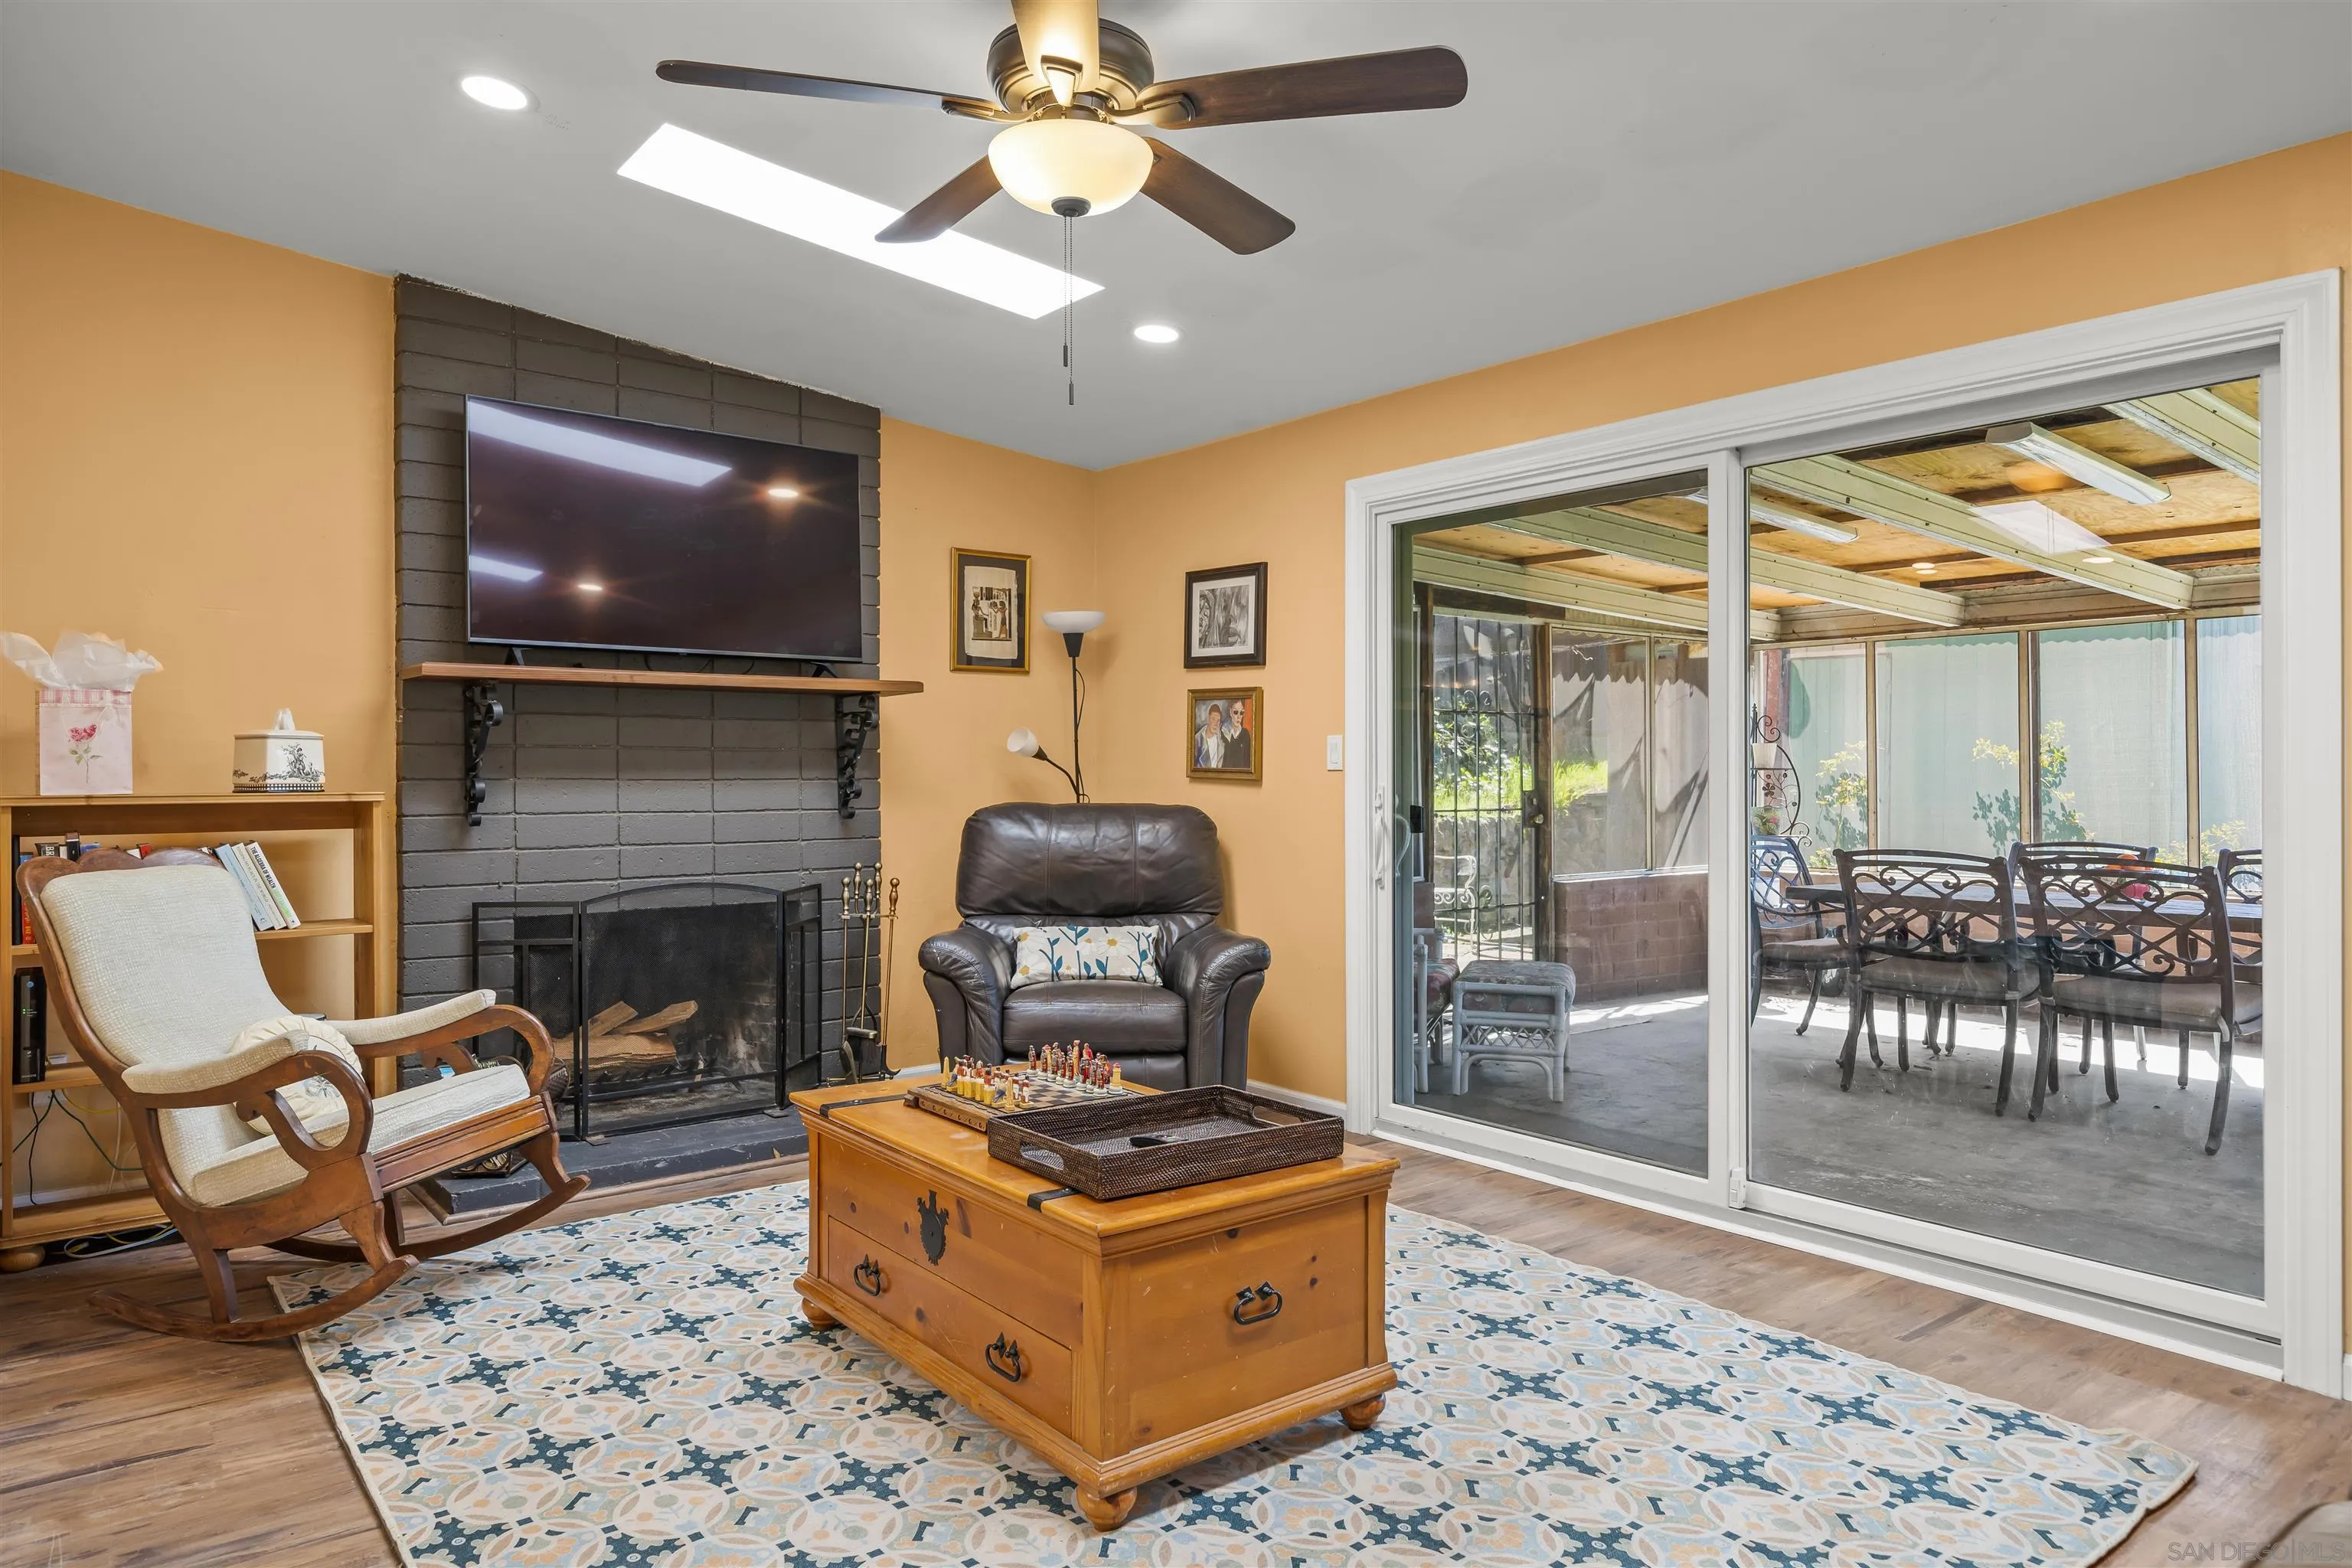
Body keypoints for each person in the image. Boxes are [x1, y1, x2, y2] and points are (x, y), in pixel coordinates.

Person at [1222, 697, 1253, 773]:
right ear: (1230, 712)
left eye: (1242, 713)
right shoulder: (1223, 733)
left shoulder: (1246, 735)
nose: (1239, 717)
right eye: (1235, 712)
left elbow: (1248, 763)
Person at [1194, 702, 1226, 769]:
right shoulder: (1198, 739)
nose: (1216, 723)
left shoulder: (1221, 739)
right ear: (1208, 719)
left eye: (1218, 721)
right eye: (1213, 719)